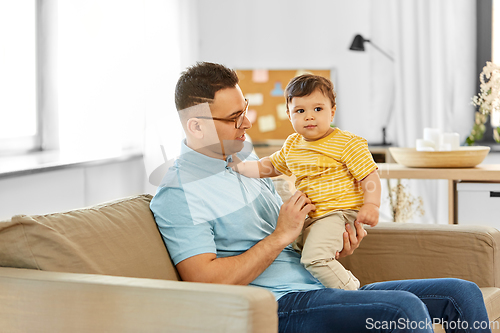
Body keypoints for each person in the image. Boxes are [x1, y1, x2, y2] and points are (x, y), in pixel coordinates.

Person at [150, 61, 491, 333]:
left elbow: (302, 233)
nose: (247, 123)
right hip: (276, 304)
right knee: (403, 310)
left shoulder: (247, 163)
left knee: (462, 294)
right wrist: (282, 234)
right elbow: (207, 281)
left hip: (319, 285)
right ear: (197, 127)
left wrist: (333, 240)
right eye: (234, 117)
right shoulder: (179, 192)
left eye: (246, 109)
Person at [230, 74, 380, 291]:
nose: (309, 117)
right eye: (300, 111)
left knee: (314, 258)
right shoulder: (293, 144)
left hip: (338, 212)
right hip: (311, 217)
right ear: (289, 115)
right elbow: (270, 165)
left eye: (318, 109)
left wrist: (372, 205)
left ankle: (353, 292)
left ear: (332, 111)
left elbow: (370, 175)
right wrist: (241, 167)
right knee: (295, 252)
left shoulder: (347, 143)